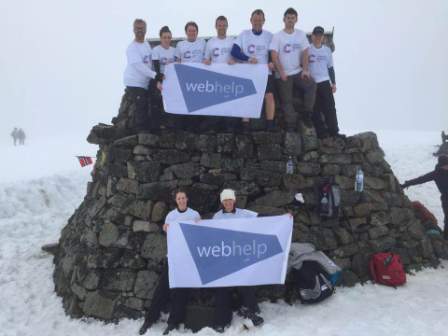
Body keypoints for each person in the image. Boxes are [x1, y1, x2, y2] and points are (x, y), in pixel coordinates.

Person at [139, 189, 201, 335]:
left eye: (183, 198)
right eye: (179, 198)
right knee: (162, 289)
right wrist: (166, 228)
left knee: (180, 291)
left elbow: (199, 233)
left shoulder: (194, 214)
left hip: (187, 259)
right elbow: (169, 234)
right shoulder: (171, 216)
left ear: (187, 199)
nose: (181, 200)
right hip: (173, 258)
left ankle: (173, 322)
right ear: (176, 201)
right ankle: (149, 319)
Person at [212, 189, 264, 332]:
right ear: (222, 202)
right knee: (222, 288)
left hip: (241, 257)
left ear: (234, 200)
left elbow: (264, 220)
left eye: (230, 200)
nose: (228, 203)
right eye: (225, 200)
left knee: (245, 286)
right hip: (224, 258)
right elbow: (209, 233)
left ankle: (252, 314)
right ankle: (221, 320)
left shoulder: (244, 213)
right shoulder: (217, 217)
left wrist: (284, 217)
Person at [270, 7, 316, 131]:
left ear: (296, 20)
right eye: (288, 18)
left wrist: (305, 69)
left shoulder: (300, 34)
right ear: (284, 19)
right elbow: (274, 55)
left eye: (292, 18)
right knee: (286, 100)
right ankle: (291, 124)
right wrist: (281, 72)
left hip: (297, 71)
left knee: (311, 84)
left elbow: (306, 51)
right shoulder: (277, 36)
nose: (290, 20)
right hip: (283, 74)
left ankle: (307, 114)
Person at [231, 9, 276, 131]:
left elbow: (273, 52)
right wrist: (248, 58)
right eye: (255, 20)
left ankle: (270, 124)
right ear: (251, 21)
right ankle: (245, 124)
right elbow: (234, 51)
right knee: (247, 97)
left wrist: (271, 62)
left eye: (260, 20)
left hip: (265, 72)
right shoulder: (243, 34)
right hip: (248, 72)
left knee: (269, 96)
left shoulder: (269, 36)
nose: (257, 22)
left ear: (264, 21)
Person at [123, 19, 163, 132]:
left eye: (142, 28)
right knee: (141, 105)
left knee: (153, 102)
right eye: (137, 28)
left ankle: (152, 128)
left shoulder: (146, 44)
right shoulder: (132, 48)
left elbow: (150, 63)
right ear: (133, 29)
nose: (139, 30)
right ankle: (141, 132)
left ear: (145, 29)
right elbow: (138, 66)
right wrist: (155, 75)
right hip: (134, 82)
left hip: (145, 82)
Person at [203, 15, 239, 132]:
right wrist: (207, 61)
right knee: (215, 102)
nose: (221, 27)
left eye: (224, 25)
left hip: (229, 77)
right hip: (215, 77)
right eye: (219, 25)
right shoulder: (210, 42)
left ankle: (230, 127)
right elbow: (205, 59)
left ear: (227, 26)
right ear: (215, 26)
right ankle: (214, 127)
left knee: (229, 101)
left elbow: (238, 58)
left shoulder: (233, 41)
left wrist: (235, 60)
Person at [401, 153, 448, 240]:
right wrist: (408, 183)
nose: (447, 167)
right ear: (441, 165)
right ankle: (445, 238)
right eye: (445, 165)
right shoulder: (436, 173)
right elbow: (421, 179)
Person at [308, 26, 340, 138]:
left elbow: (330, 68)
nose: (318, 37)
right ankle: (321, 133)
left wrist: (334, 83)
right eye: (316, 35)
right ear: (312, 36)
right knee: (315, 108)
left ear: (323, 37)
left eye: (320, 35)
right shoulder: (307, 49)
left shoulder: (327, 50)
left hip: (325, 81)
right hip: (312, 83)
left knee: (330, 107)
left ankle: (334, 131)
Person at [151, 26, 176, 129]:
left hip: (172, 80)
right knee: (158, 102)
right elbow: (156, 67)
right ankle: (158, 125)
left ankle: (171, 124)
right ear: (161, 38)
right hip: (160, 79)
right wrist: (158, 81)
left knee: (171, 102)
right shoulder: (156, 50)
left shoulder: (174, 50)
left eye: (169, 37)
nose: (167, 40)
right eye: (164, 37)